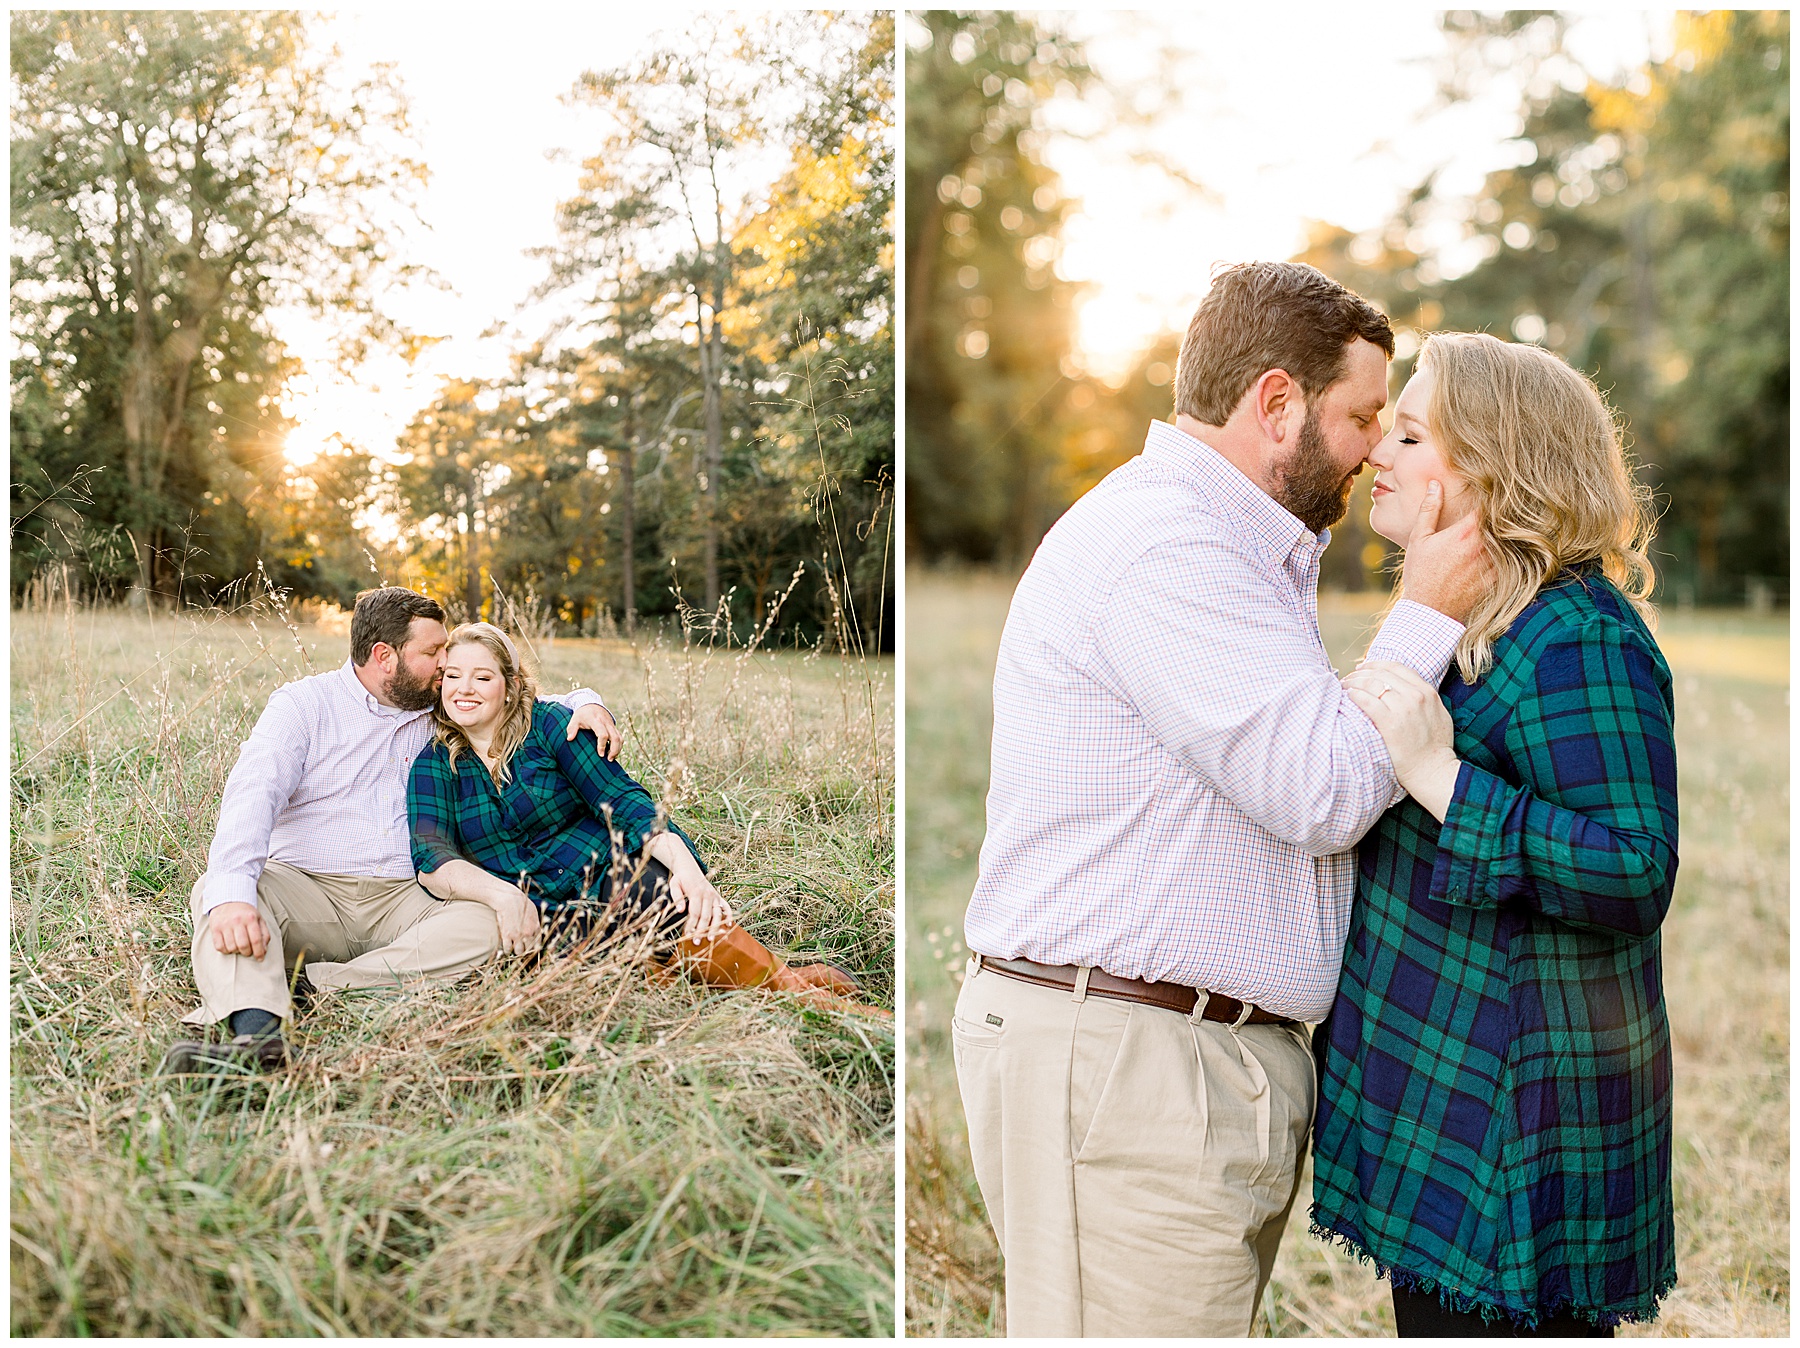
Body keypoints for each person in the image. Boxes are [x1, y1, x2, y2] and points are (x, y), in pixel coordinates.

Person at [951, 261, 1490, 1336]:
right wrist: (1427, 609)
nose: (1378, 447)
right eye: (1361, 415)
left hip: (1172, 1066)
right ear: (1276, 402)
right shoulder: (1170, 547)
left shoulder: (1235, 550)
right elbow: (1323, 786)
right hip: (1127, 1065)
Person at [1313, 333, 1678, 1336]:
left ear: (1492, 468)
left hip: (1518, 1126)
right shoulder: (1474, 623)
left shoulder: (1580, 632)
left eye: (1413, 432)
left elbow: (1635, 865)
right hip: (1446, 1100)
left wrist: (1443, 780)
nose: (1379, 449)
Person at [163, 587, 621, 1074]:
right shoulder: (303, 706)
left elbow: (513, 695)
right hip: (310, 890)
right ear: (385, 657)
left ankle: (318, 985)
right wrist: (233, 893)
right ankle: (258, 1038)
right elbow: (252, 795)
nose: (447, 666)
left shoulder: (440, 705)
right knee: (224, 893)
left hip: (409, 897)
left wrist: (588, 703)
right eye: (433, 653)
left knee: (489, 923)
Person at [406, 622, 875, 1007]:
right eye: (453, 676)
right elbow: (431, 856)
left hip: (607, 880)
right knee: (615, 979)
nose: (464, 689)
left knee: (663, 894)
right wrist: (502, 897)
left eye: (482, 677)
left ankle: (800, 995)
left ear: (509, 688)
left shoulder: (551, 728)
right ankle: (741, 976)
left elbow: (627, 804)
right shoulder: (434, 763)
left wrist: (691, 872)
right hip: (537, 916)